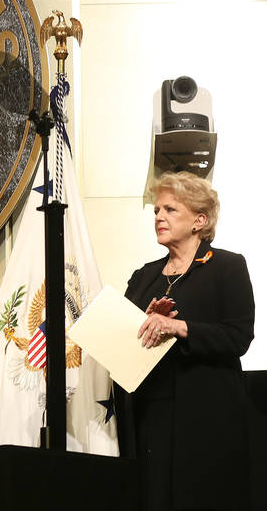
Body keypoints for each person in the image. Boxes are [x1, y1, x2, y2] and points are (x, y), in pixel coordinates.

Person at [120, 171, 254, 511]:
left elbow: (239, 336)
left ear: (199, 220)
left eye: (170, 209)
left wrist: (180, 327)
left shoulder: (227, 266)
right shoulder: (144, 276)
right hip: (153, 414)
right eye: (156, 210)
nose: (159, 217)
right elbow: (124, 337)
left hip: (208, 416)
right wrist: (140, 322)